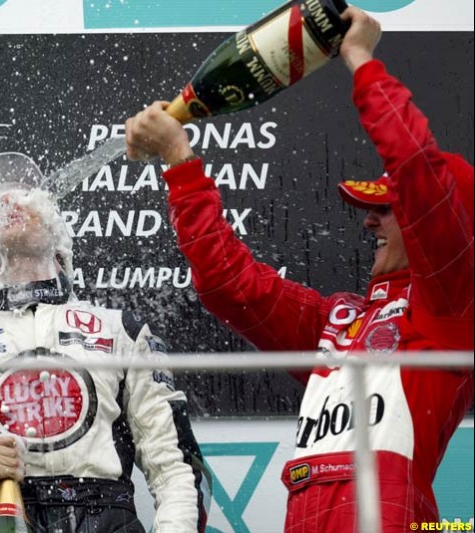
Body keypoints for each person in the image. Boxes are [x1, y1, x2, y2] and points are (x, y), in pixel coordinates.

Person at [124, 6, 474, 532]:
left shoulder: (450, 308)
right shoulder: (336, 321)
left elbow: (418, 170)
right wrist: (179, 162)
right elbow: (228, 285)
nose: (369, 222)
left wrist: (359, 59)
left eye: (386, 208)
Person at [0, 152, 209, 532]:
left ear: (57, 221)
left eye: (26, 194)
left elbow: (181, 473)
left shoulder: (122, 331)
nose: (10, 201)